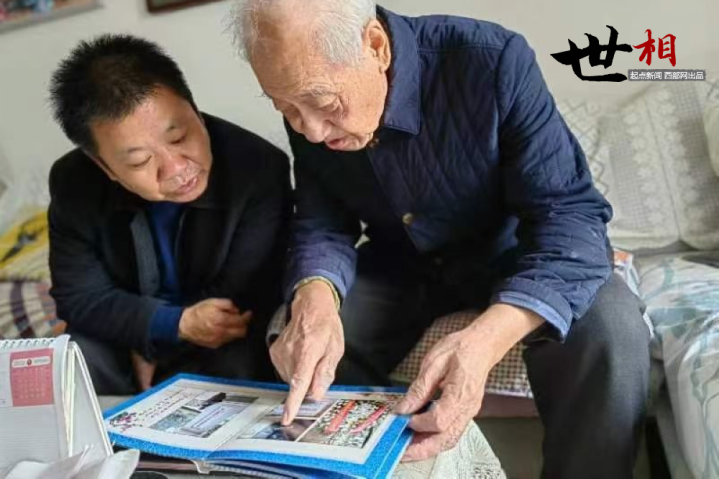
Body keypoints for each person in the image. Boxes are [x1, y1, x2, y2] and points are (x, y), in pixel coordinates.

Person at [229, 1, 651, 477]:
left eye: (325, 105)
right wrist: (314, 297)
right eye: (285, 108)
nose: (309, 129)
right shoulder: (308, 102)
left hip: (513, 253)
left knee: (610, 326)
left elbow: (569, 213)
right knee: (302, 335)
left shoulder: (492, 60)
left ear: (375, 46)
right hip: (401, 264)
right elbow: (322, 221)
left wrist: (487, 338)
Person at [48, 34, 291, 395]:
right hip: (132, 333)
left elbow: (240, 300)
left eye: (178, 138)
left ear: (195, 110)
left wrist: (158, 344)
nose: (176, 168)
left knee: (239, 362)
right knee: (71, 359)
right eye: (140, 161)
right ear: (104, 166)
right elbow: (78, 296)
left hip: (224, 337)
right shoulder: (73, 182)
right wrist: (165, 325)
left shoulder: (258, 167)